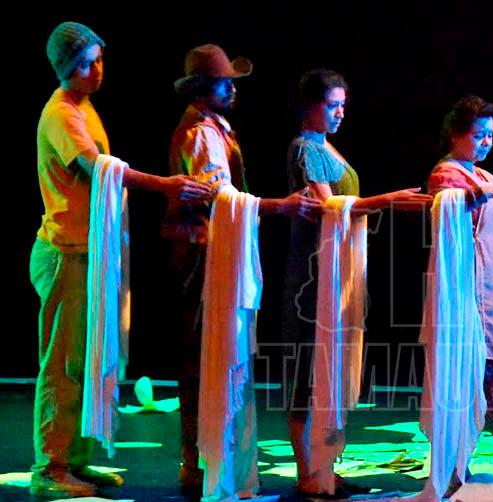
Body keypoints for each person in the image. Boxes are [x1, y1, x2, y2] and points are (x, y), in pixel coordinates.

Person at [31, 21, 212, 499]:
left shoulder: (83, 107)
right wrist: (167, 186)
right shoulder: (61, 114)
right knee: (63, 365)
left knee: (85, 362)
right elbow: (98, 169)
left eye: (99, 60)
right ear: (66, 68)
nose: (97, 71)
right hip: (65, 254)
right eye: (86, 64)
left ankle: (75, 461)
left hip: (87, 253)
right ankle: (50, 468)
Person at [162, 44, 322, 499]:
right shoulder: (199, 133)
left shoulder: (215, 127)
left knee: (210, 356)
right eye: (224, 82)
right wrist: (280, 206)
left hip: (213, 251)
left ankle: (209, 459)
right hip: (200, 253)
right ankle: (199, 462)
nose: (232, 89)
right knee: (203, 358)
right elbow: (219, 196)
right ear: (202, 87)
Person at [281, 68, 431, 499]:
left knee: (328, 363)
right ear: (310, 106)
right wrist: (388, 200)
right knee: (307, 366)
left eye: (343, 105)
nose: (340, 113)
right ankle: (307, 470)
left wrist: (389, 205)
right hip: (313, 272)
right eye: (332, 105)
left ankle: (325, 466)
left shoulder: (327, 146)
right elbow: (330, 206)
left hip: (336, 270)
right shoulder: (304, 148)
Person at [418, 95, 493, 500]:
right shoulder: (447, 175)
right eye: (478, 134)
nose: (486, 142)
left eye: (490, 135)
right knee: (458, 373)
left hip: (491, 284)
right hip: (465, 288)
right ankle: (448, 466)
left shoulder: (480, 173)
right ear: (455, 134)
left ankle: (460, 463)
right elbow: (450, 213)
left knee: (478, 381)